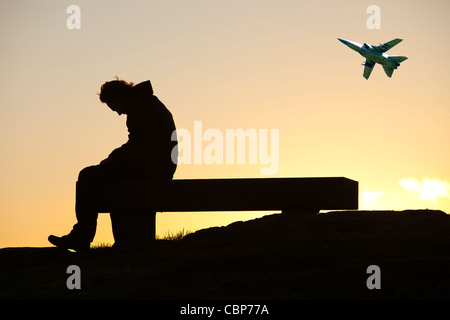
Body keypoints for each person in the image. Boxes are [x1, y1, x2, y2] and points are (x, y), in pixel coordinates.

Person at [48, 78, 177, 251]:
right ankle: (84, 235)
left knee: (87, 175)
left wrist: (113, 158)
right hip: (157, 166)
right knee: (101, 176)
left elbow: (139, 146)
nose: (116, 112)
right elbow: (142, 144)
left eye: (113, 106)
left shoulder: (140, 108)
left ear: (118, 98)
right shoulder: (146, 103)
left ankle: (82, 236)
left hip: (151, 169)